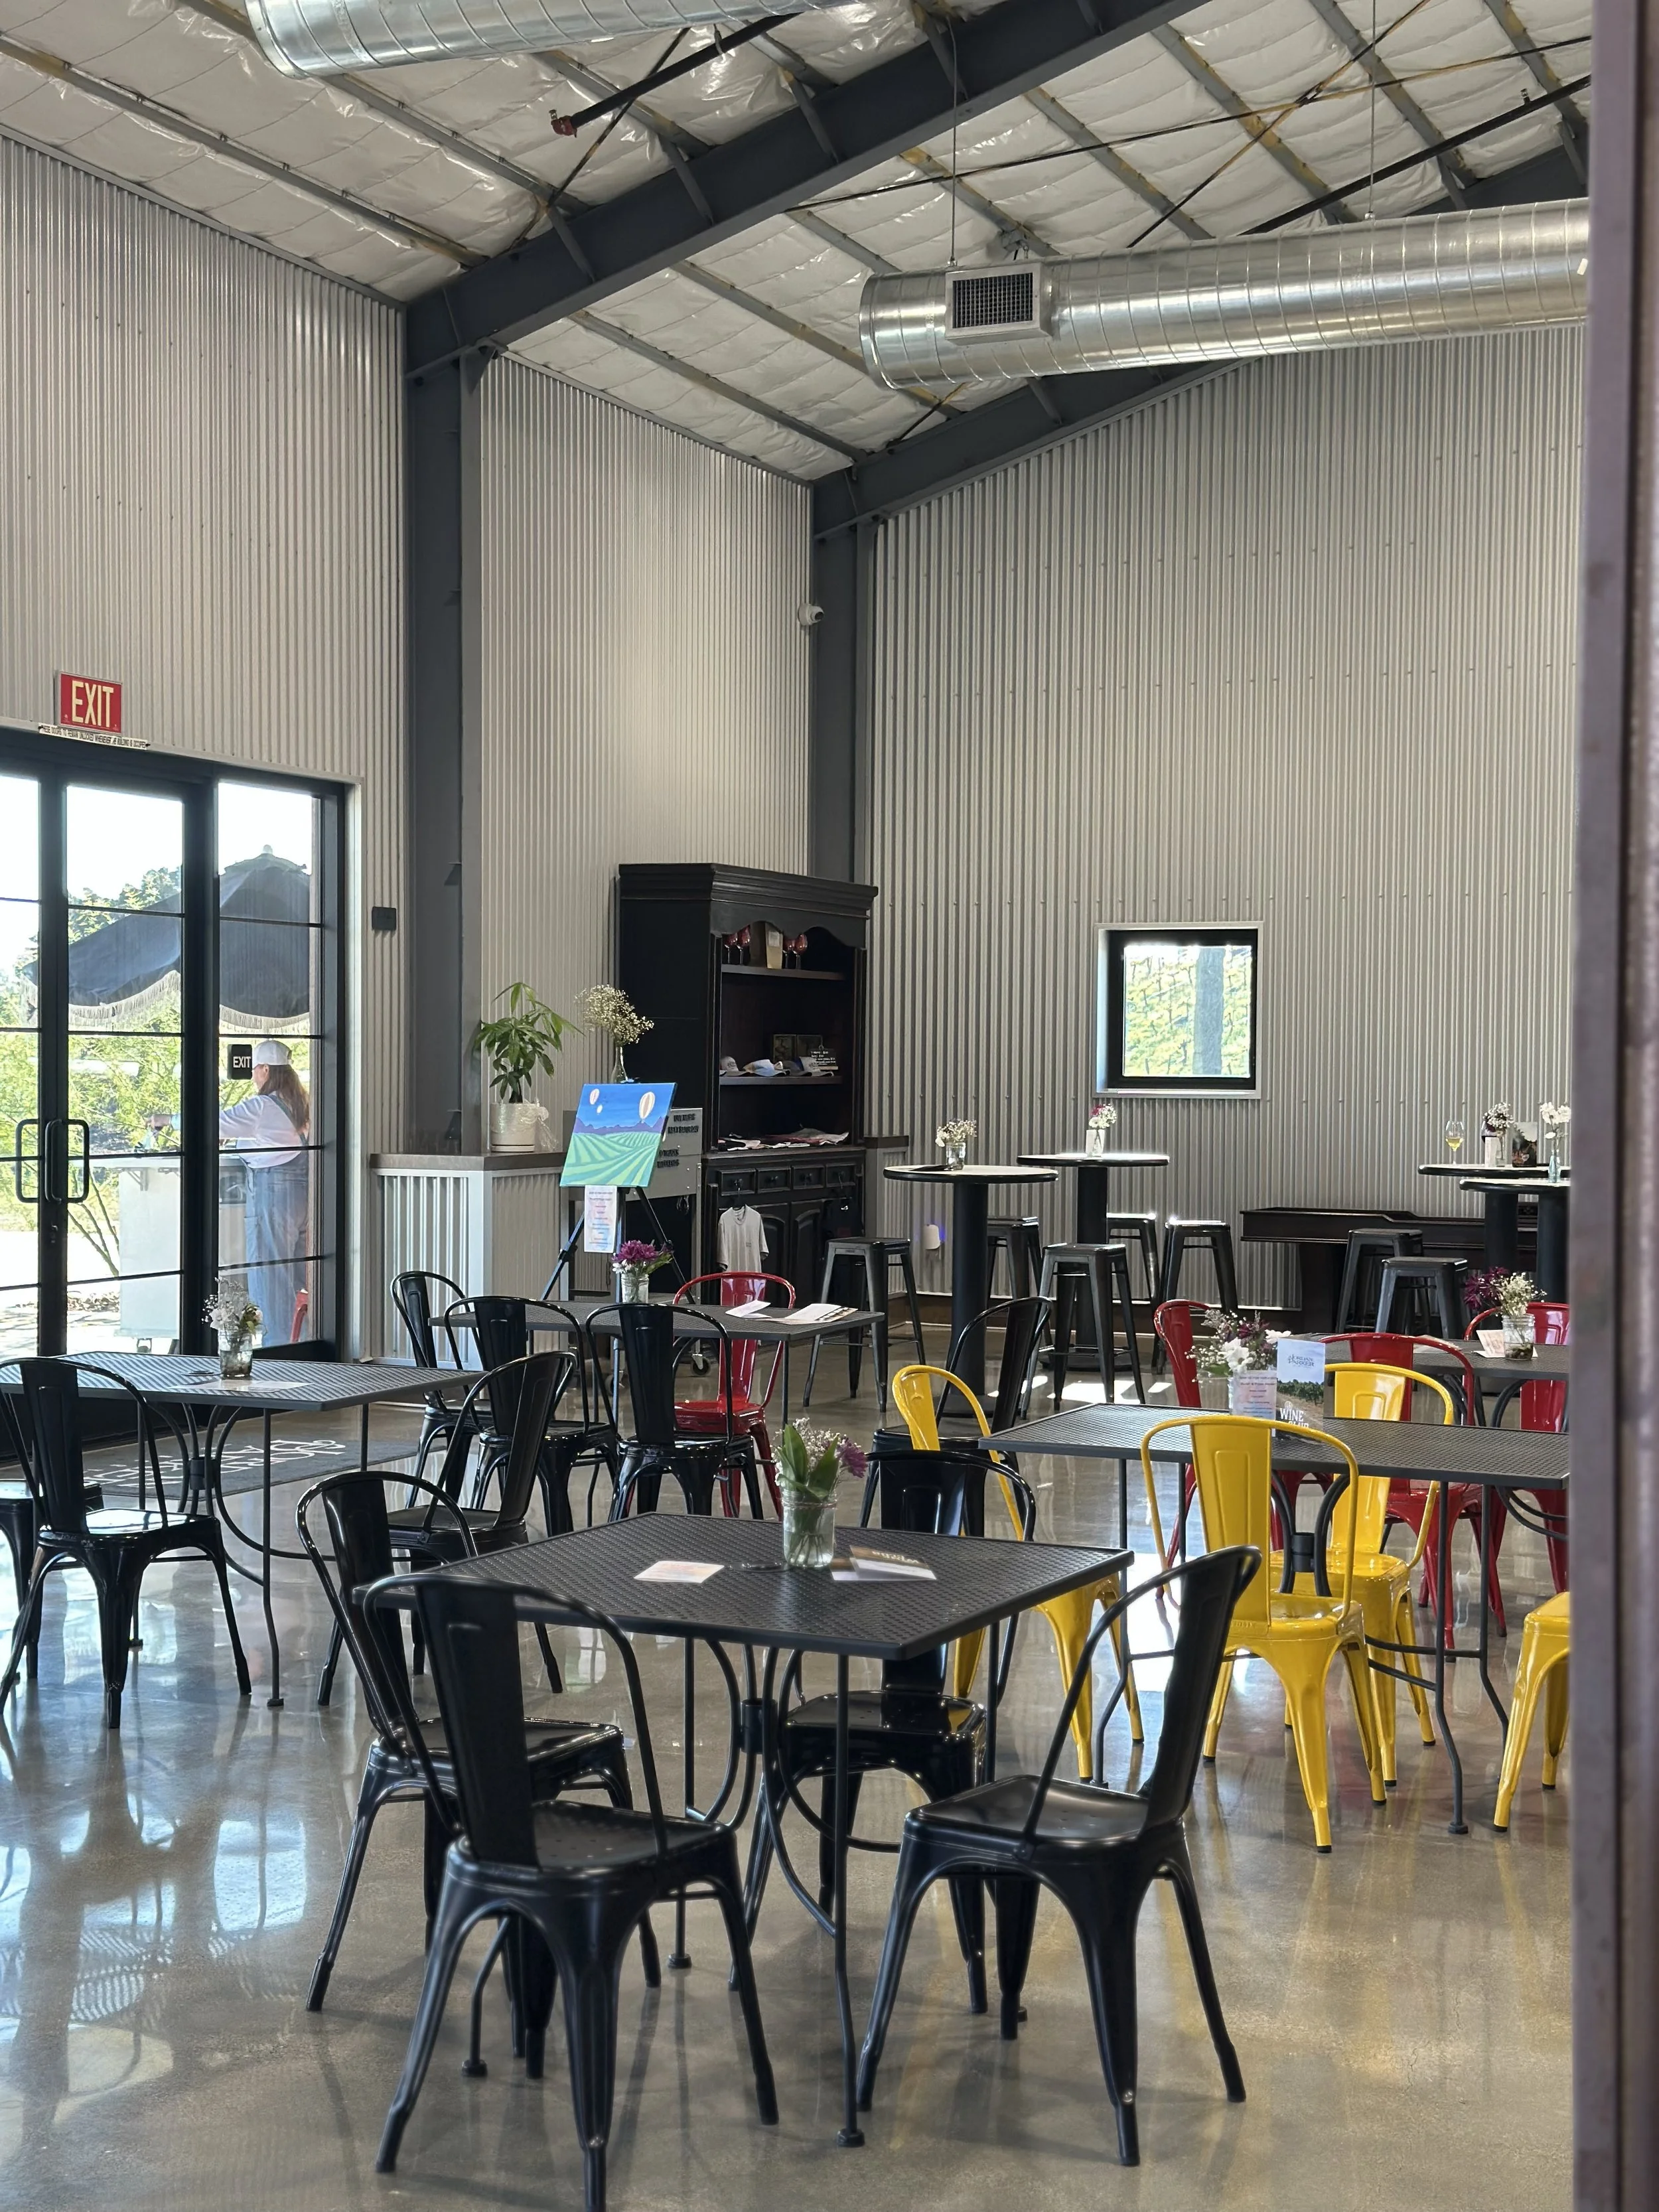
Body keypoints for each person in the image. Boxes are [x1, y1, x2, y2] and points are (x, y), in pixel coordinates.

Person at [219, 1040, 309, 1342]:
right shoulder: (303, 1103)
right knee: (303, 1278)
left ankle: (279, 1351)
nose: (255, 1076)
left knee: (270, 1276)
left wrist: (168, 1121)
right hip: (306, 1196)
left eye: (256, 1070)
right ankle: (306, 1341)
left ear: (266, 1070)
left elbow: (215, 1124)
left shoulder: (261, 1106)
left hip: (272, 1194)